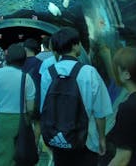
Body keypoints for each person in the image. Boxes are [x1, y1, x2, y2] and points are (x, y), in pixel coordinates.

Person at [39, 27, 113, 166]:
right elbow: (100, 112)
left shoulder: (48, 73)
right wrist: (102, 138)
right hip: (86, 141)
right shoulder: (89, 72)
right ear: (75, 45)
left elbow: (44, 108)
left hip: (58, 140)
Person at [0, 43, 36, 166]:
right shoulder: (26, 78)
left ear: (7, 57)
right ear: (24, 59)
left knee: (1, 156)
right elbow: (31, 107)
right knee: (21, 155)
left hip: (2, 119)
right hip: (22, 119)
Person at [22, 38, 42, 144]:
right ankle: (35, 145)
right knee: (38, 122)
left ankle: (26, 145)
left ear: (25, 49)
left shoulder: (20, 63)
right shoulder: (41, 63)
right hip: (38, 98)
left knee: (25, 123)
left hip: (24, 98)